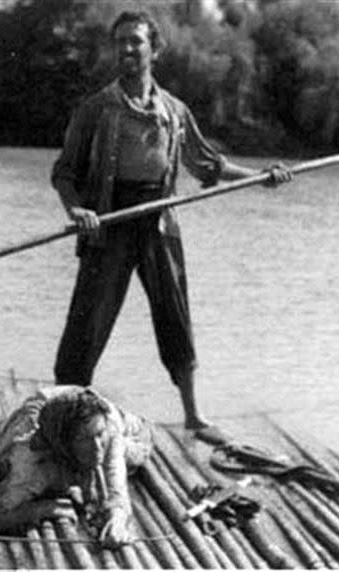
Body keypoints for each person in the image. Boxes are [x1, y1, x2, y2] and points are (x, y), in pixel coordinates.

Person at [51, 11, 292, 431]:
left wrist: (259, 178)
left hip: (159, 220)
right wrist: (79, 211)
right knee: (88, 318)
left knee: (175, 314)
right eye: (120, 41)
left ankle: (193, 415)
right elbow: (64, 173)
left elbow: (207, 164)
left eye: (136, 41)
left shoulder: (174, 112)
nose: (127, 49)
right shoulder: (96, 109)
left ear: (155, 49)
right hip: (109, 221)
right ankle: (63, 412)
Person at [0, 385, 152, 547]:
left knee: (137, 450)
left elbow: (117, 493)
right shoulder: (34, 459)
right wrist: (45, 508)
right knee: (11, 465)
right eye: (83, 440)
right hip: (41, 410)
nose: (96, 448)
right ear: (64, 444)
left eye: (99, 436)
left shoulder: (107, 430)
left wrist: (117, 519)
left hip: (89, 402)